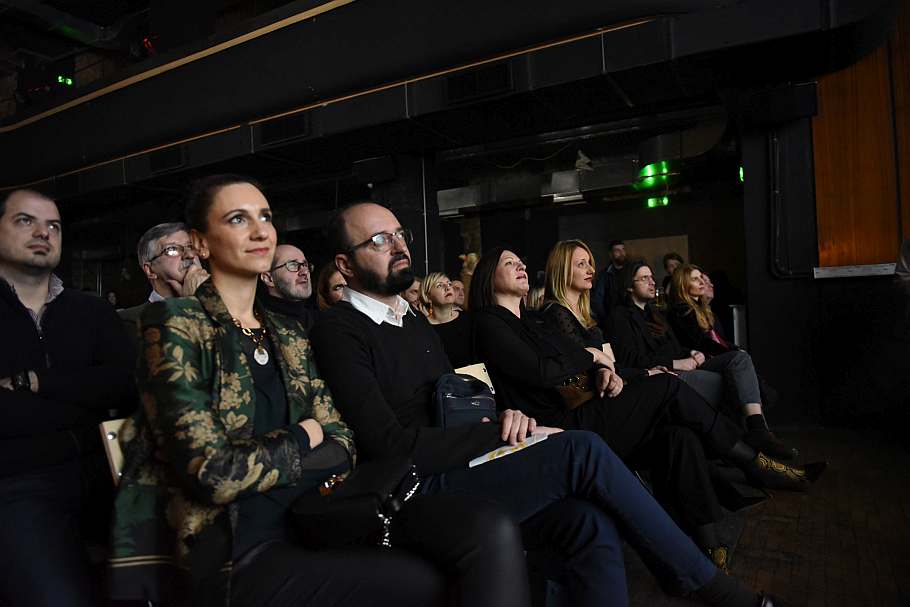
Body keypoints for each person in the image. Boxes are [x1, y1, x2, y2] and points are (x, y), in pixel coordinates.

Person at [311, 202, 781, 607]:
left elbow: (455, 401)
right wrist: (498, 433)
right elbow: (388, 444)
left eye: (400, 234)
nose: (398, 246)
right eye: (379, 239)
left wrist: (507, 417)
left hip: (464, 459)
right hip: (414, 486)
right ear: (345, 265)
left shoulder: (409, 319)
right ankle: (710, 586)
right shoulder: (339, 330)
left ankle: (699, 563)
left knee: (588, 521)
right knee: (582, 448)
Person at [109, 176, 526, 607]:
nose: (260, 231)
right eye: (237, 219)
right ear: (200, 243)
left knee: (470, 543)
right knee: (429, 579)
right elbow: (214, 472)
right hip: (233, 548)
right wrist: (302, 436)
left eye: (265, 217)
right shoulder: (175, 327)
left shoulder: (287, 332)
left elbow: (342, 444)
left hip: (314, 517)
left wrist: (287, 449)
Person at [483, 241, 822, 566]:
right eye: (510, 263)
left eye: (521, 261)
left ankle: (707, 543)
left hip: (592, 403)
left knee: (679, 435)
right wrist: (598, 360)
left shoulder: (537, 322)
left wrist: (605, 372)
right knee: (669, 386)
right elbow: (547, 372)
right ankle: (755, 462)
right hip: (562, 424)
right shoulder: (502, 320)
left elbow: (580, 365)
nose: (522, 266)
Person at [0, 189, 136, 607]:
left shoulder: (92, 311)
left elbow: (124, 385)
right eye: (26, 221)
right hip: (18, 481)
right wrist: (84, 390)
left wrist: (34, 383)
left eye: (54, 226)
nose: (44, 233)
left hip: (108, 472)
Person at [667, 264, 796, 458]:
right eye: (695, 279)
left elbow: (719, 340)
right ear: (683, 285)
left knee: (740, 367)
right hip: (697, 360)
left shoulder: (702, 310)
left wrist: (732, 349)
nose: (702, 282)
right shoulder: (681, 310)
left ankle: (761, 439)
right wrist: (731, 351)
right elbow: (701, 343)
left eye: (701, 278)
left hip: (710, 358)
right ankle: (760, 432)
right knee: (740, 360)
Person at [119, 221, 210, 347]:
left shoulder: (222, 309)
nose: (189, 255)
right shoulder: (128, 322)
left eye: (191, 247)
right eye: (172, 250)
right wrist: (191, 307)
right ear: (150, 271)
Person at [419, 272, 474, 368]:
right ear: (427, 297)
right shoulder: (421, 327)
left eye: (449, 284)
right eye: (439, 285)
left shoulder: (469, 319)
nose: (447, 288)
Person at [259, 243, 316, 331]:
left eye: (305, 265)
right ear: (269, 278)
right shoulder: (259, 324)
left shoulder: (318, 321)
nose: (305, 272)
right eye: (293, 265)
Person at [590, 239, 626, 330]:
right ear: (611, 254)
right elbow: (597, 301)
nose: (621, 253)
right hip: (613, 322)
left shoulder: (632, 271)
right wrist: (606, 321)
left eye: (623, 249)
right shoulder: (604, 275)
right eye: (617, 250)